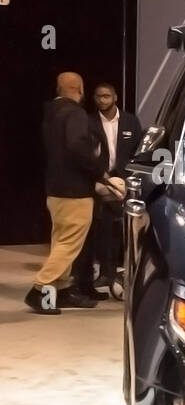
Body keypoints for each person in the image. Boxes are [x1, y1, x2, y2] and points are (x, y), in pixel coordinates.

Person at [26, 72, 104, 314]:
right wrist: (99, 170)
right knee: (68, 244)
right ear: (78, 88)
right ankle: (40, 289)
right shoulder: (75, 113)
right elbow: (77, 146)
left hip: (55, 189)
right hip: (75, 191)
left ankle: (59, 291)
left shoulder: (51, 113)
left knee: (61, 241)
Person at [73, 83, 140, 295]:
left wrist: (130, 178)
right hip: (99, 179)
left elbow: (138, 150)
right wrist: (101, 177)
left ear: (115, 97)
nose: (102, 100)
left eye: (106, 96)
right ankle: (105, 271)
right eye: (99, 96)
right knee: (101, 227)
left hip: (124, 179)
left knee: (122, 229)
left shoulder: (130, 120)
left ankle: (120, 272)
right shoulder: (88, 122)